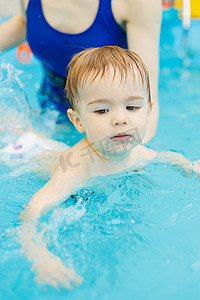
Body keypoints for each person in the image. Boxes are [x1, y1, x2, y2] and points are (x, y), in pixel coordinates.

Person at [19, 46, 200, 290]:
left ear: (149, 110)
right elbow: (32, 211)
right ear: (78, 121)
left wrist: (190, 167)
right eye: (102, 110)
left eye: (132, 107)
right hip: (26, 156)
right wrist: (40, 257)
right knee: (19, 140)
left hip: (51, 148)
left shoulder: (137, 153)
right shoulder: (76, 168)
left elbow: (165, 157)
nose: (120, 119)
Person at [0, 0, 162, 143]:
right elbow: (25, 22)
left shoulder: (137, 3)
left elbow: (146, 101)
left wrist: (136, 155)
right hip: (52, 102)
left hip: (112, 112)